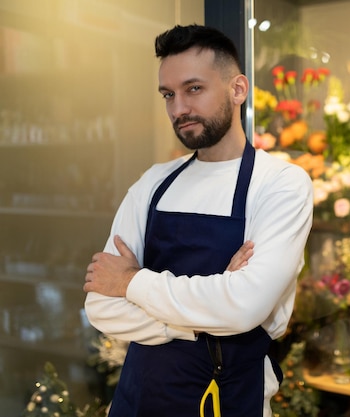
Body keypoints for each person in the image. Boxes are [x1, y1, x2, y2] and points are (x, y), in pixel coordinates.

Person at [83, 24, 314, 417]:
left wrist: (132, 282)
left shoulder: (280, 184)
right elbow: (102, 305)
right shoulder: (153, 183)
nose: (178, 109)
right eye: (168, 95)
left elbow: (245, 306)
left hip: (229, 399)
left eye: (193, 89)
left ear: (237, 89)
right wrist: (208, 313)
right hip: (138, 401)